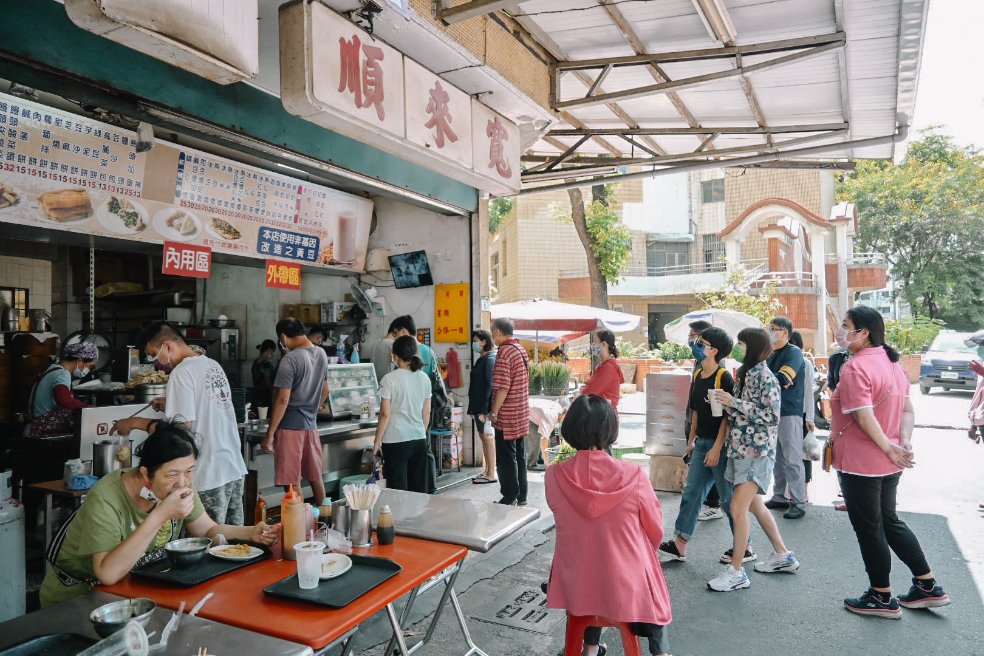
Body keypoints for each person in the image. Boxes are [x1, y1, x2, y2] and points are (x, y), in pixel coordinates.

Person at [40, 420, 279, 607]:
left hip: (132, 591)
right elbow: (107, 573)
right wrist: (160, 515)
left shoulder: (180, 483)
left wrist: (250, 533)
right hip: (76, 600)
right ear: (145, 474)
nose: (183, 482)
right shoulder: (106, 499)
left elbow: (205, 529)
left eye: (189, 471)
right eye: (172, 474)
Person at [831, 306, 950, 618]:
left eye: (846, 326)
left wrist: (891, 446)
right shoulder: (892, 363)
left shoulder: (856, 367)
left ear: (864, 332)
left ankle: (881, 597)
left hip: (862, 462)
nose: (841, 331)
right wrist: (902, 441)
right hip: (888, 461)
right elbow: (908, 410)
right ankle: (927, 586)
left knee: (870, 529)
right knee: (889, 521)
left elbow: (862, 414)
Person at [546, 395, 672, 656]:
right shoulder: (634, 475)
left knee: (592, 560)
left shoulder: (553, 477)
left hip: (576, 586)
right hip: (626, 585)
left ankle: (590, 648)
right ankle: (660, 652)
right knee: (643, 567)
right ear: (611, 430)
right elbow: (655, 531)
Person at [114, 321, 247, 524]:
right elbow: (206, 407)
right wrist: (171, 403)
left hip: (208, 473)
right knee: (233, 545)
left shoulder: (181, 373)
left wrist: (133, 422)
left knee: (209, 543)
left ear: (168, 346)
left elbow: (180, 432)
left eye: (153, 354)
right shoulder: (212, 364)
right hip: (232, 467)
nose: (154, 361)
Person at [708, 327, 800, 592]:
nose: (737, 347)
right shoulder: (745, 375)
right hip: (741, 451)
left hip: (756, 453)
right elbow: (742, 409)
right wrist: (725, 401)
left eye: (742, 343)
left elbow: (771, 416)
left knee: (737, 508)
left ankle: (736, 571)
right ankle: (783, 555)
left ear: (755, 347)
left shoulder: (765, 377)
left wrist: (733, 403)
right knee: (755, 506)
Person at [658, 327, 748, 564]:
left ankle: (744, 547)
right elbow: (696, 410)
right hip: (701, 444)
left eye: (702, 342)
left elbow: (727, 417)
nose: (696, 344)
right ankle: (680, 544)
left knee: (729, 500)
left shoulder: (723, 377)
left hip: (720, 446)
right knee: (691, 492)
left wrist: (717, 448)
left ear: (714, 351)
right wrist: (691, 441)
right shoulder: (698, 375)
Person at [260, 319, 329, 507]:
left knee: (291, 481)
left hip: (290, 427)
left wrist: (270, 434)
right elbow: (326, 390)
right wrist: (312, 409)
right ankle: (325, 520)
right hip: (311, 425)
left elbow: (282, 399)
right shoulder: (321, 353)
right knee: (315, 476)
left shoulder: (290, 359)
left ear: (283, 337)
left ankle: (301, 526)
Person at [372, 335, 431, 492]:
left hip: (395, 441)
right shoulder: (424, 378)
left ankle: (401, 517)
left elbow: (385, 414)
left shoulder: (389, 379)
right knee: (418, 489)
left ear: (395, 355)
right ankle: (418, 517)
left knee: (398, 490)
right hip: (418, 438)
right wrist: (421, 432)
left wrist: (377, 442)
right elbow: (427, 411)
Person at [763, 316, 808, 519]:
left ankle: (798, 501)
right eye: (769, 328)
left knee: (792, 458)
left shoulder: (794, 353)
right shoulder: (770, 354)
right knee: (777, 458)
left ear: (786, 333)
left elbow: (782, 379)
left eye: (775, 329)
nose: (771, 331)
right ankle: (780, 496)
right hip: (771, 412)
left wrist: (766, 379)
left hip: (789, 411)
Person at [489, 317, 531, 506]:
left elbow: (503, 387)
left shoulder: (504, 352)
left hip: (507, 416)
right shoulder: (520, 349)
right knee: (519, 456)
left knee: (506, 458)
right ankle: (522, 495)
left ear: (497, 332)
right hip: (521, 413)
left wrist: (494, 411)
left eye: (492, 332)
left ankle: (509, 495)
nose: (492, 336)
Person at [686, 320, 723, 521]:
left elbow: (719, 408)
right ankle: (707, 503)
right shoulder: (699, 365)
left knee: (715, 471)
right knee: (701, 472)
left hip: (712, 427)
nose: (692, 340)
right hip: (698, 421)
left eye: (696, 337)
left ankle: (714, 504)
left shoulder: (718, 369)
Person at [26, 341, 98, 437]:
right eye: (89, 366)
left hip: (33, 428)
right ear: (79, 361)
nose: (88, 370)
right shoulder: (62, 374)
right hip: (42, 431)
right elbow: (64, 400)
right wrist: (89, 409)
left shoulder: (52, 369)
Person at [788, 331, 816, 499]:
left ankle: (803, 492)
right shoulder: (778, 362)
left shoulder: (805, 363)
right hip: (785, 415)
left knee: (803, 456)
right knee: (787, 456)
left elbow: (808, 392)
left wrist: (810, 418)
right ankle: (788, 491)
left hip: (802, 415)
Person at [468, 329, 497, 484]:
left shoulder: (490, 359)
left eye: (475, 340)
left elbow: (489, 386)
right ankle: (487, 470)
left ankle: (491, 473)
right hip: (478, 406)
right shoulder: (482, 359)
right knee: (483, 437)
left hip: (484, 408)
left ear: (483, 341)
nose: (473, 344)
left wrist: (486, 410)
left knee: (488, 438)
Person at [580, 330, 624, 413]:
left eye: (595, 342)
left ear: (604, 344)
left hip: (605, 416)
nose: (593, 345)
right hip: (601, 413)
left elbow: (590, 392)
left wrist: (582, 390)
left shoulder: (608, 368)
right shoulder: (602, 365)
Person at [251, 339, 278, 411]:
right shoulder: (266, 364)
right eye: (272, 352)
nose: (272, 355)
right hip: (265, 399)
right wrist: (275, 396)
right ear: (269, 350)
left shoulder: (256, 362)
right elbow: (268, 382)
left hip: (256, 397)